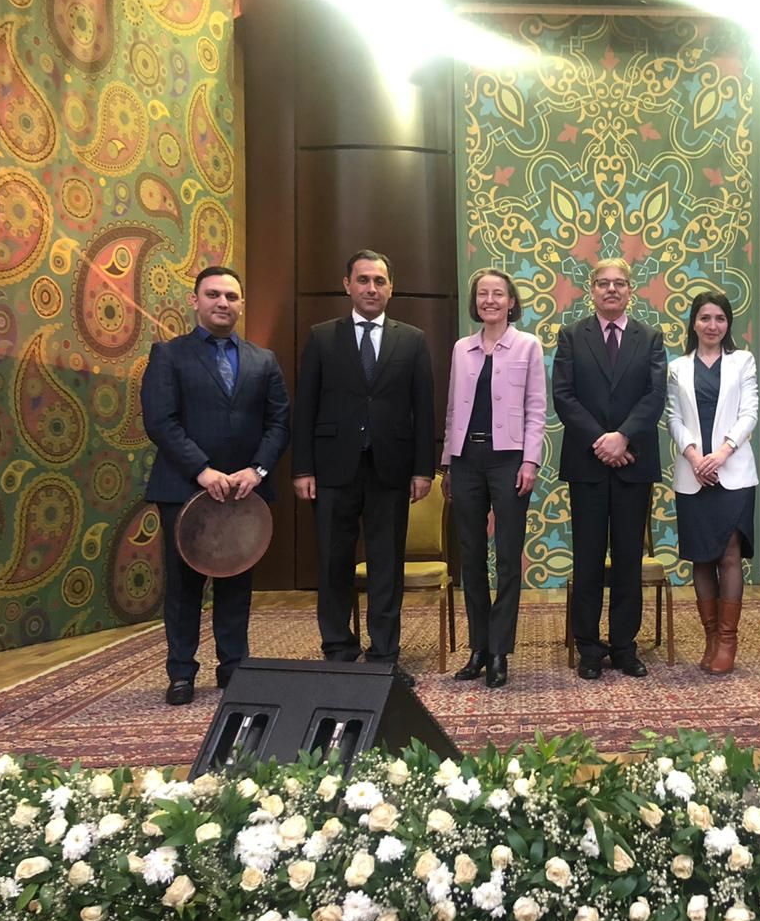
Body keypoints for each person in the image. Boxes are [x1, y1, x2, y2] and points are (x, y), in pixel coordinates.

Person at [142, 266, 290, 705]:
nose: (223, 302)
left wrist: (257, 470)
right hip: (185, 489)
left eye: (231, 296)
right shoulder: (169, 355)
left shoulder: (264, 360)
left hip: (245, 492)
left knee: (237, 583)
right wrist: (202, 471)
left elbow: (279, 423)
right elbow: (160, 421)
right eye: (213, 294)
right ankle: (181, 672)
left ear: (241, 304)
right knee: (184, 585)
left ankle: (234, 667)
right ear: (195, 301)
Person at [291, 249, 436, 681]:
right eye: (363, 280)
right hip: (332, 469)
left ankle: (384, 654)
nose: (372, 288)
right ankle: (338, 649)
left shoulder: (412, 340)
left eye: (379, 281)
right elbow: (305, 406)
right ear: (347, 285)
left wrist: (423, 469)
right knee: (333, 562)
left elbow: (423, 410)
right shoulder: (322, 337)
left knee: (386, 565)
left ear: (391, 288)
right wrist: (302, 469)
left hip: (391, 469)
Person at [553, 258, 666, 681]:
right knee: (586, 559)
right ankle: (587, 646)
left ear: (630, 290)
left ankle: (623, 646)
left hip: (634, 463)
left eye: (620, 283)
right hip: (587, 463)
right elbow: (563, 396)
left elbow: (655, 396)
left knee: (627, 560)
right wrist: (602, 441)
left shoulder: (650, 337)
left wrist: (623, 438)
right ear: (592, 289)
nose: (612, 289)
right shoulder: (571, 335)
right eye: (604, 283)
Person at [442, 269, 546, 689]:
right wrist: (448, 463)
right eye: (483, 294)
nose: (490, 300)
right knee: (470, 558)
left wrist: (530, 461)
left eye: (498, 294)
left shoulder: (527, 345)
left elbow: (537, 408)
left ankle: (500, 650)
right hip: (466, 459)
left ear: (510, 301)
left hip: (509, 460)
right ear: (476, 302)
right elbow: (452, 409)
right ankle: (478, 648)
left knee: (506, 557)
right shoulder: (461, 348)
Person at [665, 291, 758, 675]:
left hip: (733, 472)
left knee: (729, 554)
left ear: (728, 323)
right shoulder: (677, 367)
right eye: (705, 318)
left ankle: (727, 640)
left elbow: (749, 413)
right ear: (693, 322)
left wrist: (721, 454)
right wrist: (694, 457)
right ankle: (709, 638)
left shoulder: (743, 361)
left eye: (720, 318)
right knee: (701, 558)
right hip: (692, 474)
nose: (712, 325)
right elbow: (673, 418)